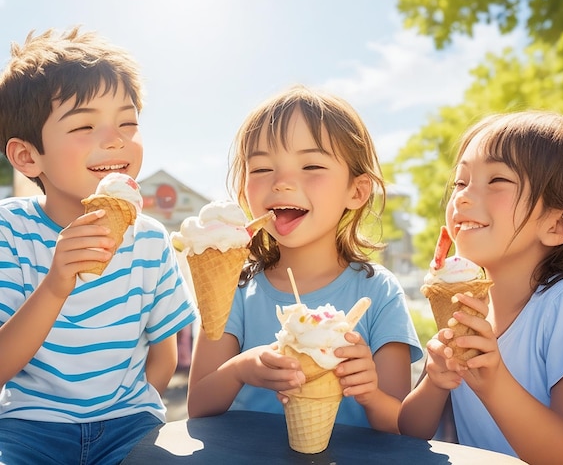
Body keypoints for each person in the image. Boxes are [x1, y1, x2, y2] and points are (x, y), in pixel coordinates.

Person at [0, 27, 196, 464]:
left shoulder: (148, 238)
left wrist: (136, 412)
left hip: (130, 421)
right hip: (30, 427)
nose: (115, 138)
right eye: (85, 125)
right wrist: (55, 285)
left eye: (127, 122)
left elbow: (162, 351)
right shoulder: (9, 229)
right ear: (28, 157)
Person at [187, 85, 422, 433]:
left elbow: (401, 426)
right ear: (243, 191)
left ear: (357, 191)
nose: (282, 182)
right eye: (262, 168)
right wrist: (241, 368)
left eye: (311, 165)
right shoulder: (235, 286)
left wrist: (369, 392)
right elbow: (198, 406)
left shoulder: (379, 291)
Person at [398, 111, 563, 465]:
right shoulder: (465, 309)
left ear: (558, 224)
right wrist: (435, 381)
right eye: (461, 182)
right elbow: (410, 432)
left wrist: (494, 383)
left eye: (497, 180)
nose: (461, 197)